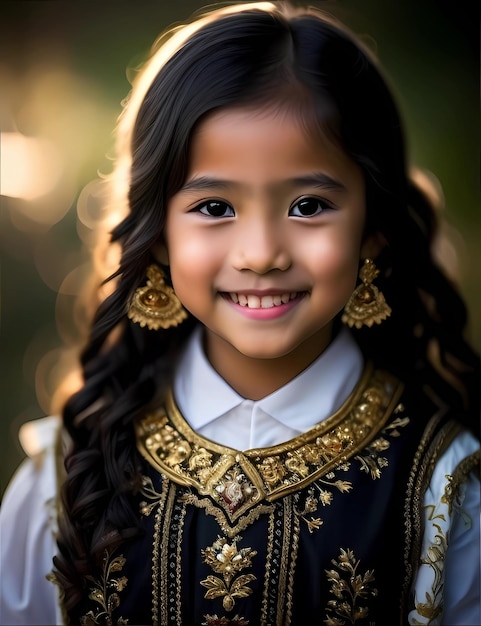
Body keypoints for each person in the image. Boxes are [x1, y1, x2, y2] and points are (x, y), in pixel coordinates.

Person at [1, 2, 479, 625]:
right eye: (214, 207)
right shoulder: (68, 476)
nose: (260, 255)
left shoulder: (445, 488)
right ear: (159, 233)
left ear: (373, 230)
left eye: (308, 205)